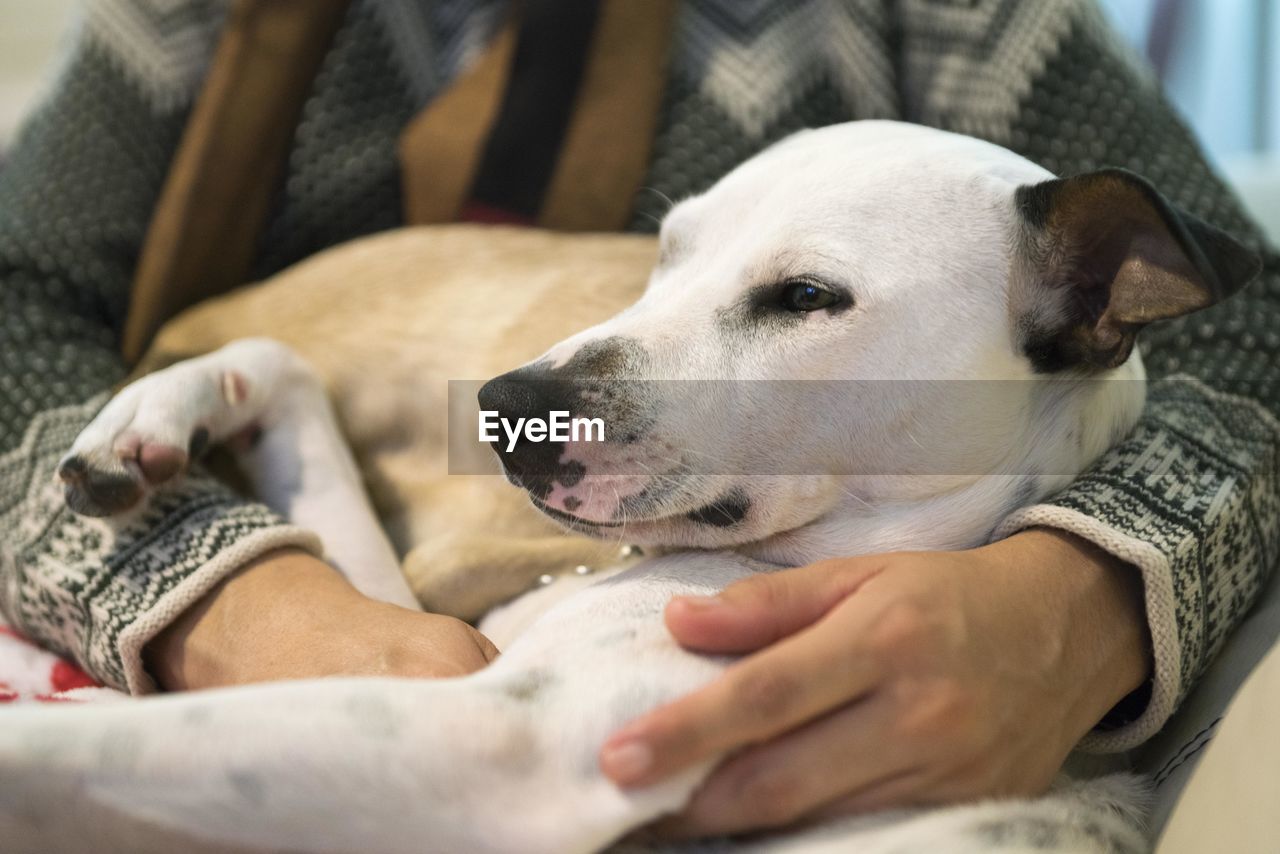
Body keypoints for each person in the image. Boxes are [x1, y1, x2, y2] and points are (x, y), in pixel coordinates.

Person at [0, 0, 1274, 840]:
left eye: (800, 294)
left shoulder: (959, 25)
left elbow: (1244, 324)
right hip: (290, 495)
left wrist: (1081, 600)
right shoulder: (184, 21)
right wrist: (226, 603)